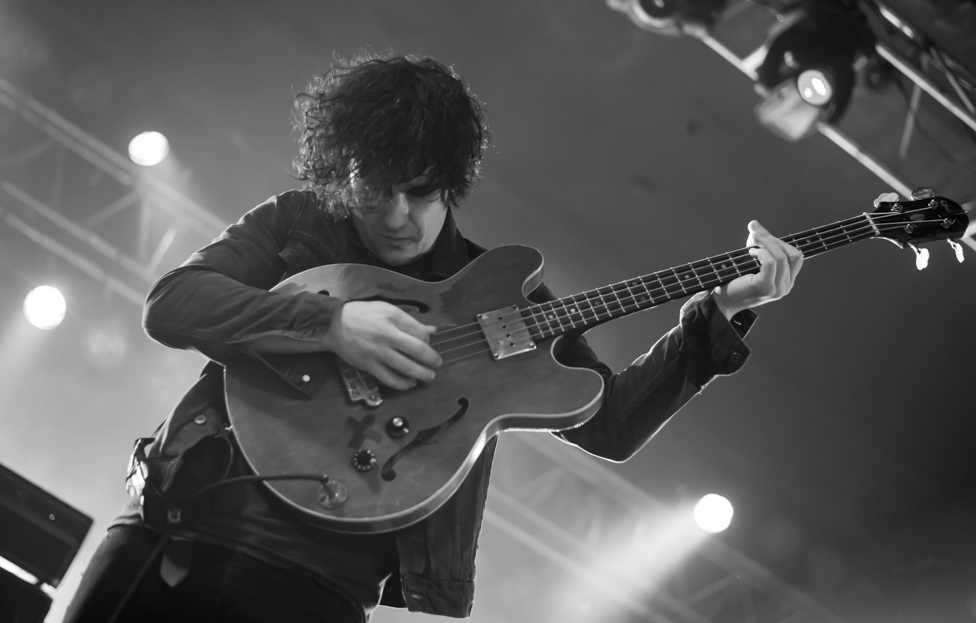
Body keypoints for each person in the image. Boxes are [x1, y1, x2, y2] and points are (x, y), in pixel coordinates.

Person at [63, 53, 803, 623]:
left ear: (452, 181)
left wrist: (722, 311)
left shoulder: (504, 291)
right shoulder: (298, 221)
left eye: (419, 191)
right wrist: (331, 324)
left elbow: (608, 422)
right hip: (177, 526)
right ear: (338, 172)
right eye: (373, 188)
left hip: (317, 587)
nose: (395, 216)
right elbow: (173, 304)